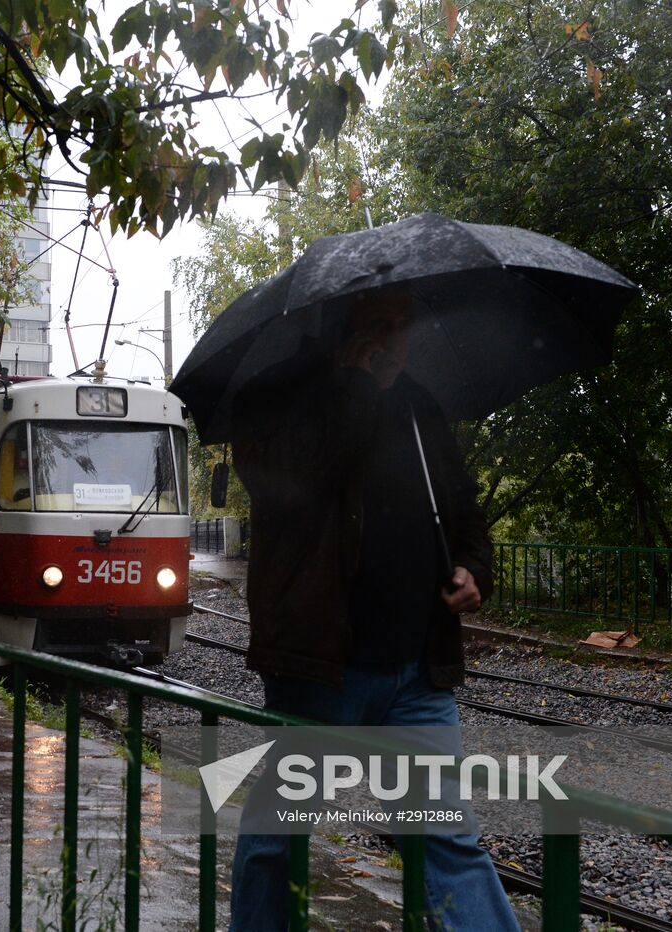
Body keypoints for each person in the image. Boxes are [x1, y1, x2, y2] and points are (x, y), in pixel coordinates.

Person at [227, 290, 519, 932]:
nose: (394, 338)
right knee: (280, 840)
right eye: (378, 325)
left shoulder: (419, 407)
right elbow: (286, 487)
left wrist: (475, 569)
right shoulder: (287, 395)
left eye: (402, 324)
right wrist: (354, 390)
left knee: (448, 839)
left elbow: (466, 515)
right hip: (323, 670)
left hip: (418, 670)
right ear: (344, 327)